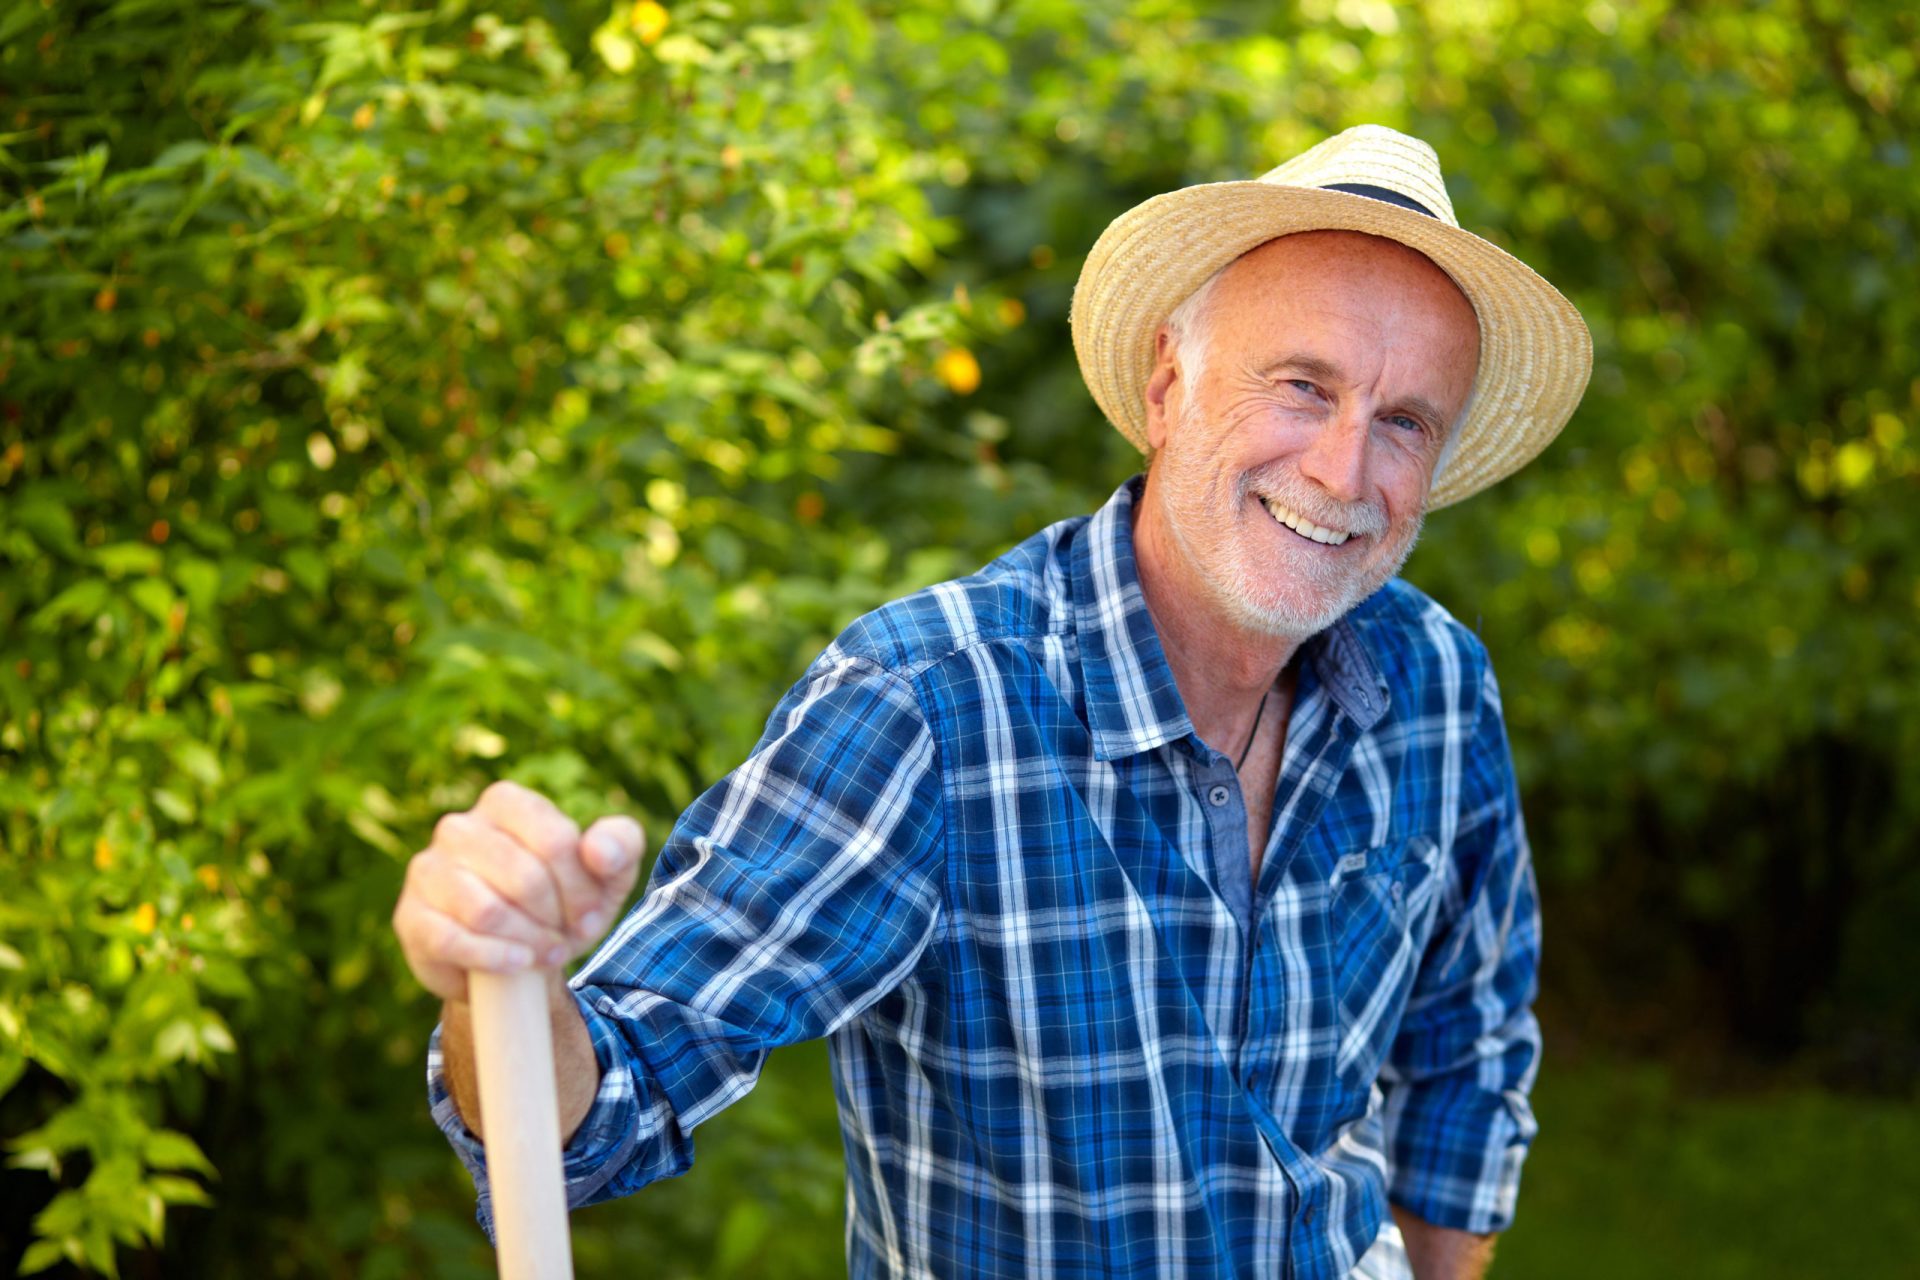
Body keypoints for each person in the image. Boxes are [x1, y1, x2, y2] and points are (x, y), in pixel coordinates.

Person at [392, 124, 1592, 1280]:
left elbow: (1468, 1048)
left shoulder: (1436, 682)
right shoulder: (932, 704)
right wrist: (505, 978)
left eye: (1403, 422)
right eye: (1300, 385)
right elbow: (598, 1104)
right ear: (1170, 381)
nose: (1343, 469)